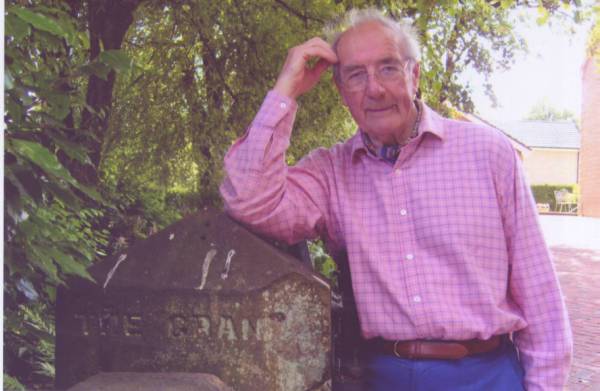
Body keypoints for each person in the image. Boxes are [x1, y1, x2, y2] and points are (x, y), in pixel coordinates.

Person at [220, 8, 572, 391]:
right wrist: (285, 88)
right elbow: (249, 200)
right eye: (356, 75)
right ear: (341, 93)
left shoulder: (489, 153)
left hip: (487, 375)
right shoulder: (331, 173)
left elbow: (540, 297)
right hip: (384, 378)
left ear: (414, 75)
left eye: (388, 68)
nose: (375, 89)